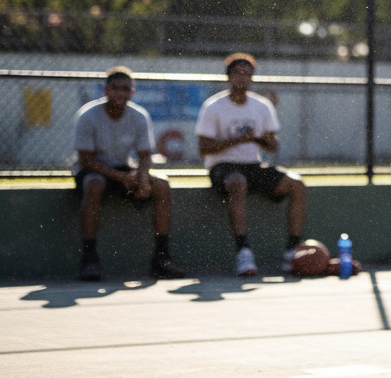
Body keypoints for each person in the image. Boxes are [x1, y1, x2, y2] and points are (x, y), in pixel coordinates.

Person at [195, 54, 307, 276]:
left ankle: (292, 250)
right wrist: (237, 140)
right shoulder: (214, 106)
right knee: (237, 182)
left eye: (248, 74)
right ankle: (243, 252)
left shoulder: (262, 106)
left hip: (253, 165)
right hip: (223, 167)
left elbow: (273, 147)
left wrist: (259, 138)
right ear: (228, 77)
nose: (243, 78)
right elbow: (203, 148)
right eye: (238, 73)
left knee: (297, 184)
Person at [72, 67, 187, 281]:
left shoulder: (139, 116)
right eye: (115, 88)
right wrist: (122, 178)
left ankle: (162, 259)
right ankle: (89, 260)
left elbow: (145, 156)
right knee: (94, 185)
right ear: (105, 90)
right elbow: (86, 160)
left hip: (124, 170)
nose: (120, 94)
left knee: (161, 184)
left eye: (125, 89)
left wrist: (142, 177)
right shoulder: (88, 115)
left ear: (132, 92)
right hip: (93, 170)